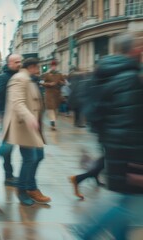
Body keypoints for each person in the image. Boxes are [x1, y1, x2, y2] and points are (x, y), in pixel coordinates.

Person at [80, 33, 143, 239]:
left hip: (113, 148)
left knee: (126, 203)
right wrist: (137, 163)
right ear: (133, 50)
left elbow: (95, 115)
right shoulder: (129, 79)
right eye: (140, 46)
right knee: (129, 206)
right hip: (129, 155)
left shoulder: (104, 74)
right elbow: (129, 125)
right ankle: (85, 233)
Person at [2, 58, 51, 206]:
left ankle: (31, 187)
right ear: (32, 67)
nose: (39, 71)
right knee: (30, 158)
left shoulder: (29, 79)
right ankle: (23, 190)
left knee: (38, 156)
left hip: (32, 127)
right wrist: (29, 117)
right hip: (23, 126)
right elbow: (17, 102)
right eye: (38, 68)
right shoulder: (19, 79)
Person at [0, 54, 22, 186]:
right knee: (8, 145)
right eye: (16, 62)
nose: (19, 64)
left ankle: (9, 176)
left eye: (20, 61)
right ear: (9, 63)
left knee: (9, 146)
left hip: (15, 116)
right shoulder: (5, 78)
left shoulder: (17, 76)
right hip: (6, 115)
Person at [41, 60, 65, 130]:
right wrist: (49, 84)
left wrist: (61, 82)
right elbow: (42, 82)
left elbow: (64, 82)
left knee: (56, 109)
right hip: (49, 94)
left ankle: (53, 121)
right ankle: (52, 123)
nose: (54, 67)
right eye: (53, 66)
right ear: (51, 66)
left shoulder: (59, 74)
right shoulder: (47, 74)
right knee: (50, 109)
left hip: (57, 94)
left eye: (55, 66)